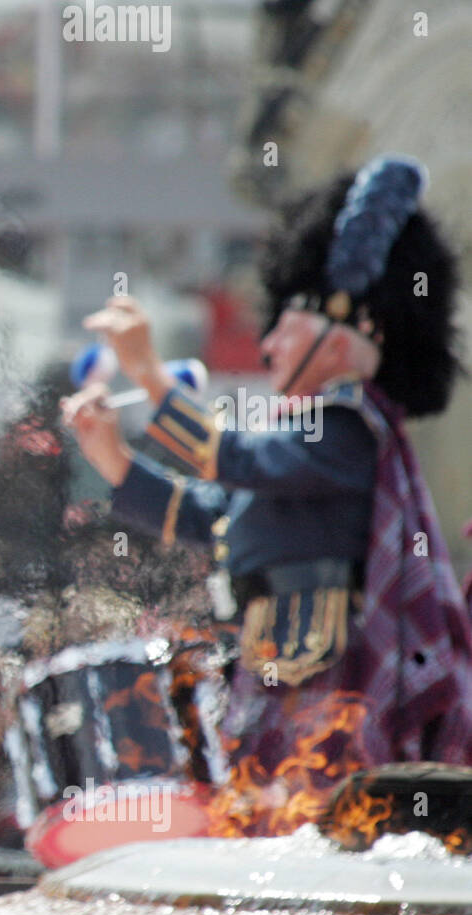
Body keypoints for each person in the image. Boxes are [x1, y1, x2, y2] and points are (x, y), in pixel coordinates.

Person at [63, 155, 472, 784]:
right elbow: (215, 515)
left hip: (337, 688)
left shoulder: (349, 423)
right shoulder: (312, 433)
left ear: (344, 333)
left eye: (287, 323)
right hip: (279, 671)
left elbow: (235, 459)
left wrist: (150, 374)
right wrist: (114, 459)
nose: (270, 342)